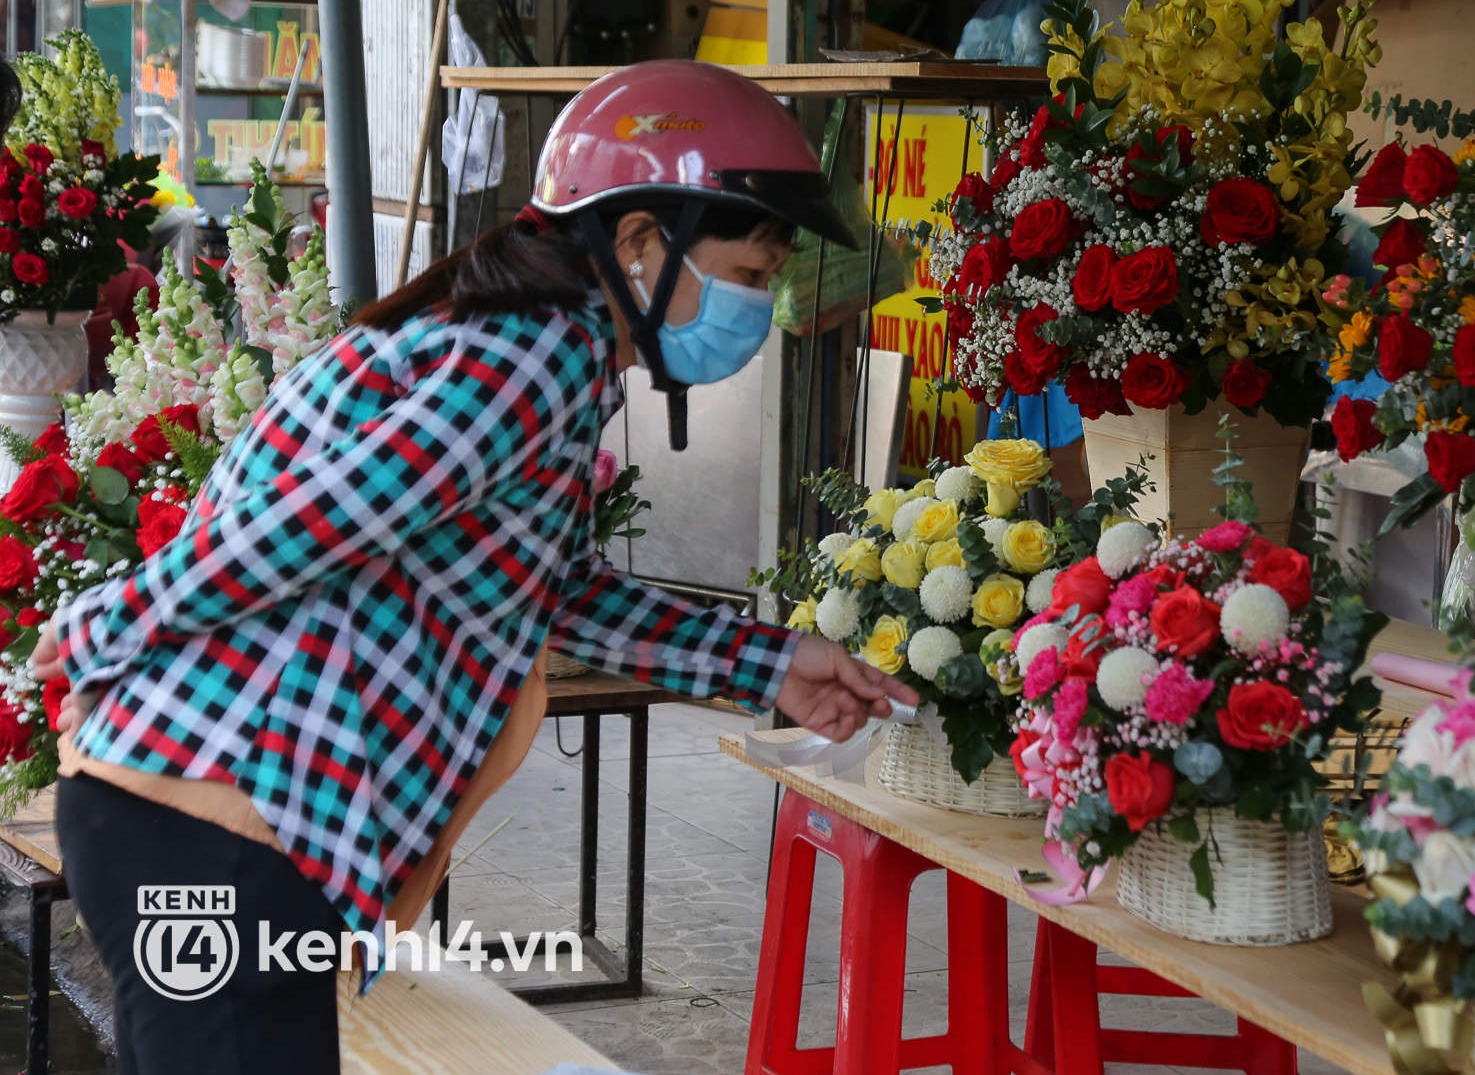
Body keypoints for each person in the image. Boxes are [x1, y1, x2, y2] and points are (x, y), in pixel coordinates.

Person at [32, 61, 917, 1075]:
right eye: (749, 277)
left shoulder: (537, 346)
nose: (757, 312)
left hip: (193, 820)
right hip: (213, 829)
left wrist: (770, 663)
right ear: (638, 242)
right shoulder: (531, 354)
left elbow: (555, 589)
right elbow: (318, 519)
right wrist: (110, 622)